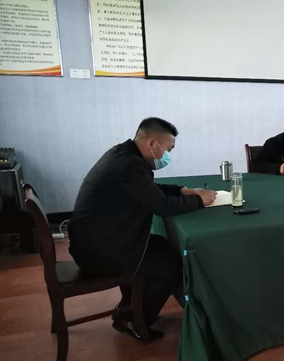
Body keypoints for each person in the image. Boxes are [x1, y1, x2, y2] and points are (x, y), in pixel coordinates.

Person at [68, 117, 217, 340]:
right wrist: (199, 200)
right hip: (99, 251)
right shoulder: (128, 164)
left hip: (100, 240)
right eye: (168, 149)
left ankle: (130, 307)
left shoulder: (125, 155)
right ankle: (134, 319)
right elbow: (161, 206)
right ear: (152, 144)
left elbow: (148, 189)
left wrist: (181, 190)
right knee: (170, 267)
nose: (168, 155)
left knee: (163, 247)